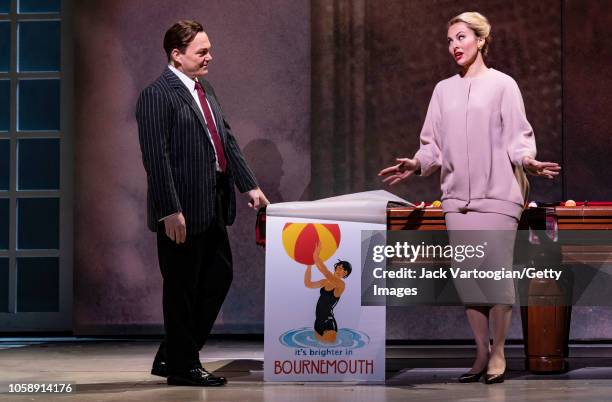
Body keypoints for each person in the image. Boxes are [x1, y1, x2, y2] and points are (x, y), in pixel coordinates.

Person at [378, 12, 560, 384]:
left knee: (494, 276)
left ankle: (498, 353)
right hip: (457, 200)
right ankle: (479, 352)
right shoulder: (443, 90)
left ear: (481, 40)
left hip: (498, 197)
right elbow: (433, 147)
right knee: (469, 278)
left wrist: (529, 161)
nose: (454, 46)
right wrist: (415, 163)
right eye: (449, 40)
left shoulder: (503, 85)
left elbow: (518, 138)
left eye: (461, 37)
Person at [136, 20, 269, 387]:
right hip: (180, 210)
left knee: (218, 276)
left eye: (209, 49)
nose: (210, 56)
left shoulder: (204, 88)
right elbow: (156, 158)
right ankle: (182, 366)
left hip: (212, 204)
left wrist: (249, 185)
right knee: (181, 289)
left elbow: (226, 138)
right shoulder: (156, 95)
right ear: (177, 56)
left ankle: (173, 354)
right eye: (202, 51)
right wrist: (168, 210)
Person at [304, 243, 352, 343]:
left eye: (344, 271)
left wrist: (315, 256)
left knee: (330, 351)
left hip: (329, 323)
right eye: (339, 267)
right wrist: (308, 265)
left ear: (345, 275)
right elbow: (308, 284)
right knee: (318, 350)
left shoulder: (341, 284)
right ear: (336, 267)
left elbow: (325, 271)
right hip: (318, 322)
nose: (340, 271)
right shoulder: (325, 282)